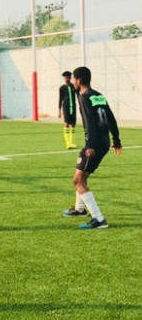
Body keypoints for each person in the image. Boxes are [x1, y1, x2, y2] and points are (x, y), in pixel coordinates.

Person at [62, 66, 121, 229]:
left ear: (79, 80)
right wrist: (116, 139)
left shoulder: (84, 97)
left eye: (74, 79)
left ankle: (98, 219)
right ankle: (80, 209)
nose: (73, 82)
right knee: (82, 175)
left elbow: (89, 123)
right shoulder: (98, 95)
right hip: (104, 142)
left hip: (94, 144)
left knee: (77, 180)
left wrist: (89, 146)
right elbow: (111, 118)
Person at [58, 70, 77, 149]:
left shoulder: (73, 86)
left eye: (68, 77)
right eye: (65, 78)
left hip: (73, 107)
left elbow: (78, 95)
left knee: (73, 124)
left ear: (70, 78)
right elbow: (60, 99)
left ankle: (71, 142)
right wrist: (59, 110)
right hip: (66, 107)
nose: (66, 79)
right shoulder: (62, 88)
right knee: (66, 123)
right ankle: (67, 143)